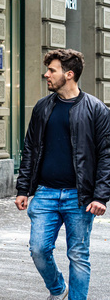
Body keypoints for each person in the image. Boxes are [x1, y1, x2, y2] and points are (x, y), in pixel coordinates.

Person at [15, 49, 110, 300]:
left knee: (78, 255)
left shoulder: (97, 110)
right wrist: (23, 189)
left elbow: (106, 156)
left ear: (69, 75)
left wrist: (100, 196)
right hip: (45, 193)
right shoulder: (42, 107)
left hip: (80, 197)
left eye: (52, 70)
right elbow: (30, 149)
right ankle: (58, 289)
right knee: (38, 249)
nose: (46, 74)